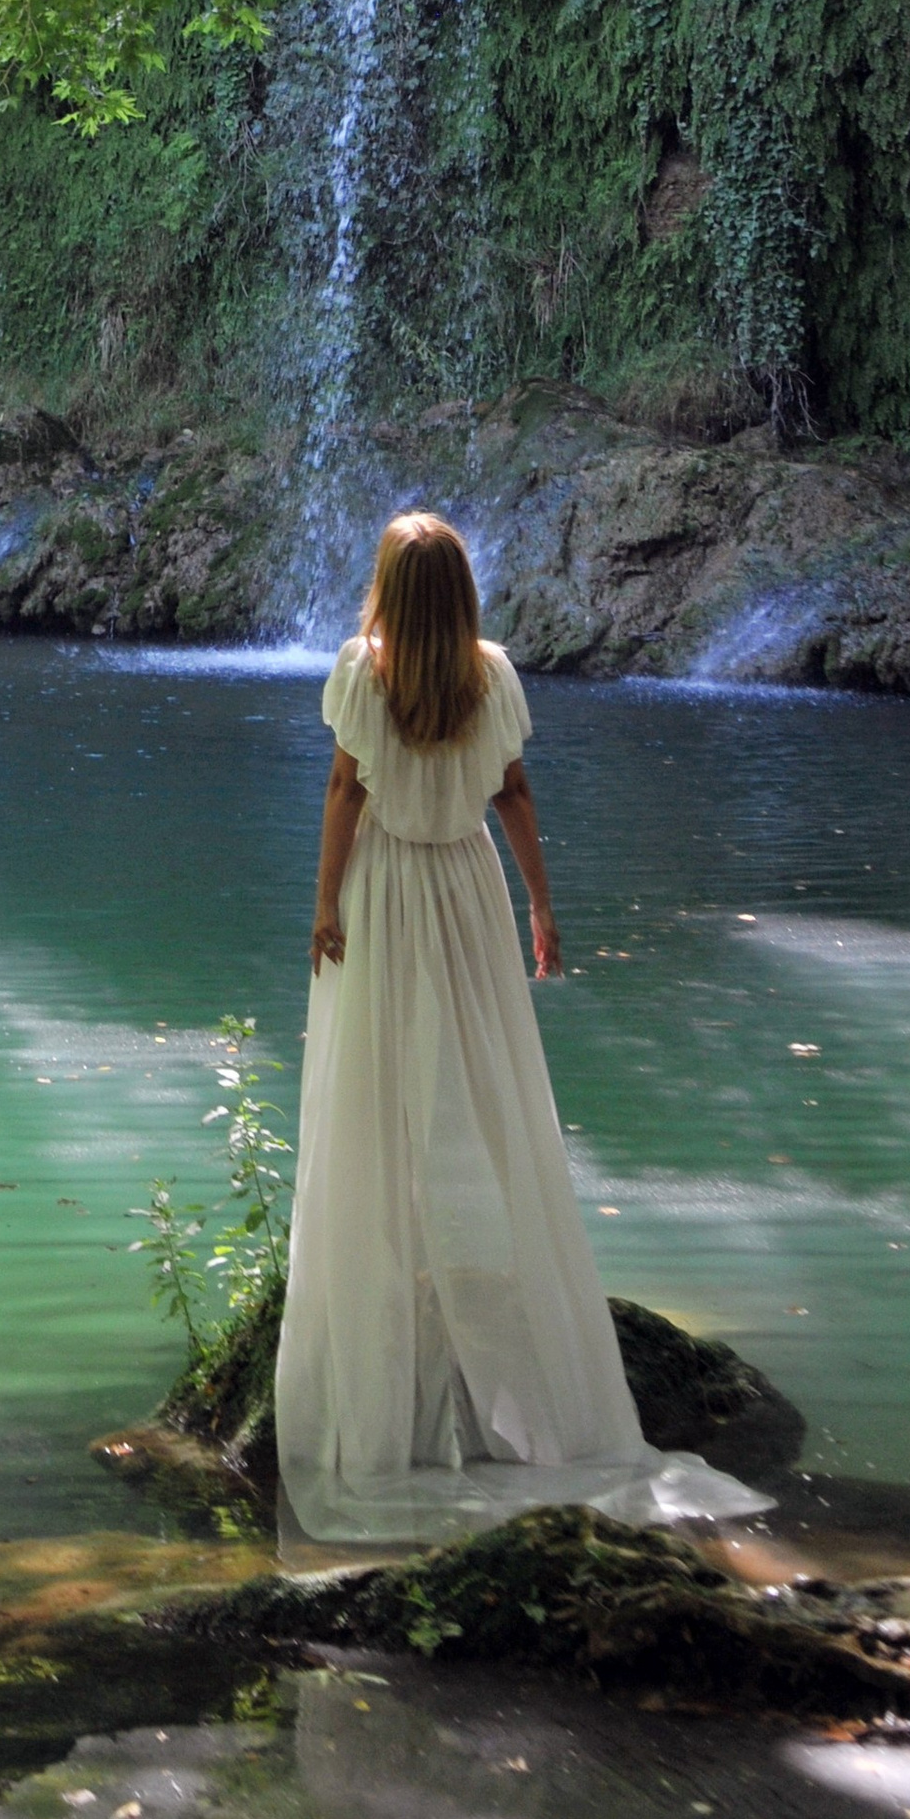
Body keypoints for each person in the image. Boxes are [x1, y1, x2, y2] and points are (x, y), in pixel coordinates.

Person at [273, 508, 771, 1550]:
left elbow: (342, 788)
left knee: (371, 1093)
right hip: (464, 889)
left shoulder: (360, 674)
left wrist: (323, 904)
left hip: (384, 891)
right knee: (491, 1089)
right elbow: (512, 792)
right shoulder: (494, 674)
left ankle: (381, 1352)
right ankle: (511, 1346)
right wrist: (541, 906)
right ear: (461, 596)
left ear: (384, 592)